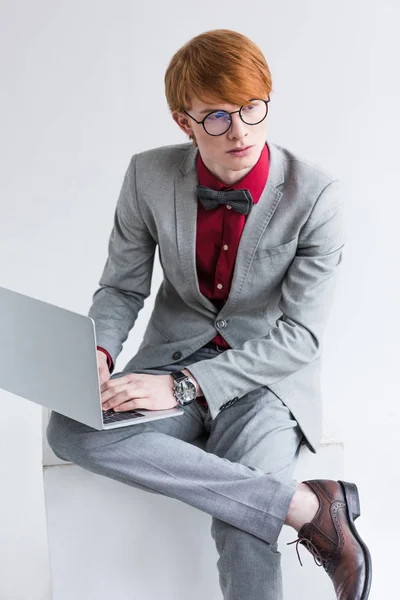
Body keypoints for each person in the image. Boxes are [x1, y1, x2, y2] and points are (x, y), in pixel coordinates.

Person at [46, 28, 372, 600]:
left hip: (265, 380)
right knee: (73, 430)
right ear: (184, 122)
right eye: (217, 117)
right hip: (170, 354)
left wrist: (184, 387)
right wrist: (96, 354)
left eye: (251, 108)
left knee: (242, 521)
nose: (240, 129)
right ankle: (307, 507)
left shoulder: (318, 195)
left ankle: (278, 507)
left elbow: (300, 337)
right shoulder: (147, 176)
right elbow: (121, 289)